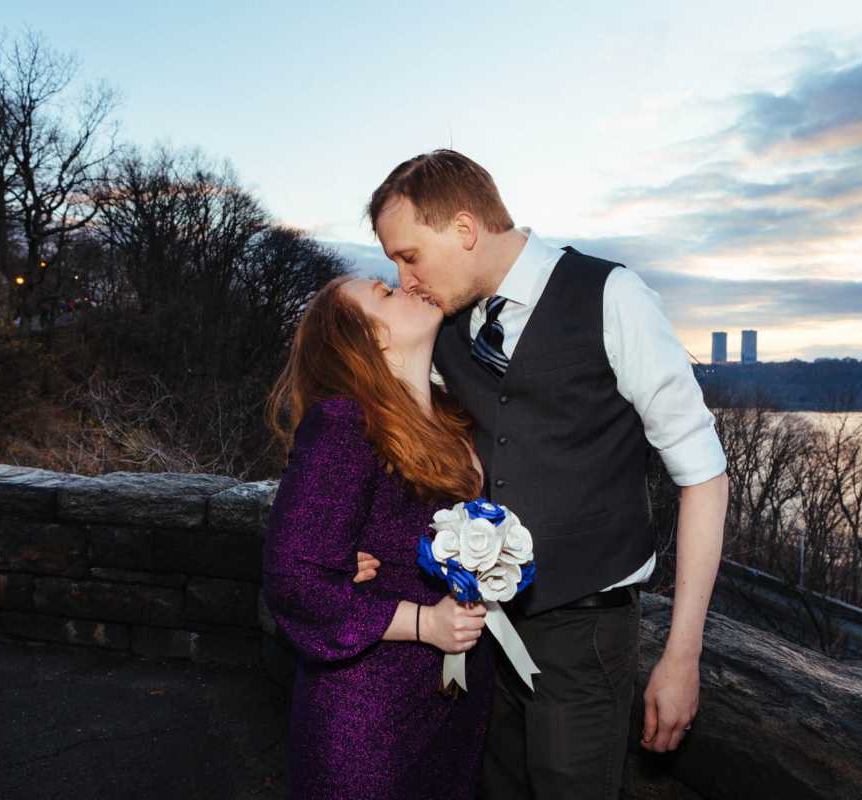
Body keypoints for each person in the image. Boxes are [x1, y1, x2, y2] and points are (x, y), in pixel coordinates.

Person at [363, 149, 730, 799]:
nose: (404, 279)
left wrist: (682, 655)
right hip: (475, 630)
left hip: (586, 636)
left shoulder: (612, 296)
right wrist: (355, 538)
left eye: (409, 256)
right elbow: (400, 441)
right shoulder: (439, 324)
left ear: (464, 229)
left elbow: (703, 474)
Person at [262, 274, 497, 800]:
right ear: (368, 340)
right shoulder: (344, 423)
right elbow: (292, 577)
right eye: (385, 294)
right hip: (370, 712)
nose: (406, 286)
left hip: (451, 698)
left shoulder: (452, 416)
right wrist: (424, 622)